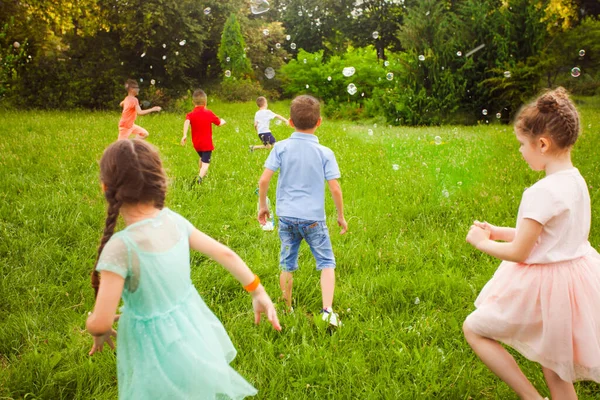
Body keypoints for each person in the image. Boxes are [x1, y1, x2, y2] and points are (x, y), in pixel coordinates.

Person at [86, 139, 280, 399]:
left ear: (105, 188)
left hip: (151, 345)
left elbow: (100, 322)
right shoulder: (174, 221)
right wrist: (257, 290)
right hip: (191, 329)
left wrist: (95, 327)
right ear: (160, 181)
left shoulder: (120, 248)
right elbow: (225, 253)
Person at [464, 87, 600, 400]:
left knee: (474, 328)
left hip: (545, 288)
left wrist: (481, 242)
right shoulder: (576, 181)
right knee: (554, 366)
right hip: (574, 284)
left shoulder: (540, 193)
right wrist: (499, 230)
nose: (520, 151)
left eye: (522, 145)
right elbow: (555, 236)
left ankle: (530, 397)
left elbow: (519, 252)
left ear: (542, 143)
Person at [257, 95, 348, 327]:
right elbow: (335, 188)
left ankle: (286, 308)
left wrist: (263, 206)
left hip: (286, 217)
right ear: (319, 122)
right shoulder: (325, 152)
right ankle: (327, 310)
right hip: (314, 219)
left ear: (289, 122)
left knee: (287, 263)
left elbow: (264, 180)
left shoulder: (281, 147)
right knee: (326, 262)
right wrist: (340, 216)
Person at [181, 89, 225, 184]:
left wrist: (184, 135)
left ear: (193, 102)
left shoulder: (191, 114)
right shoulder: (209, 113)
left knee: (201, 158)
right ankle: (199, 179)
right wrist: (223, 121)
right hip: (206, 144)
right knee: (206, 164)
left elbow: (187, 121)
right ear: (205, 102)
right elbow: (219, 123)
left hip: (197, 144)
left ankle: (201, 173)